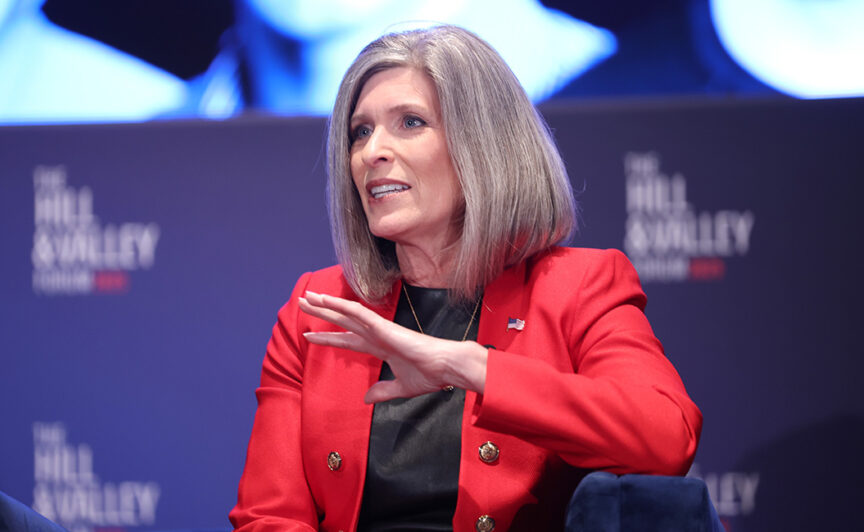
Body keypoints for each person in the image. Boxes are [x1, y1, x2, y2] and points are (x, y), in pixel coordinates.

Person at [230, 25, 702, 532]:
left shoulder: (577, 286)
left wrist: (471, 367)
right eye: (360, 132)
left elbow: (666, 440)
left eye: (410, 122)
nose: (371, 153)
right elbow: (269, 516)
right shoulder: (319, 304)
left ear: (484, 147)